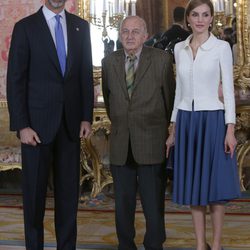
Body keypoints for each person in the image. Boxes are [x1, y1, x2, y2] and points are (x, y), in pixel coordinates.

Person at [6, 0, 94, 249]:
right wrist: (22, 125)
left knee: (68, 198)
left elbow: (85, 75)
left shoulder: (81, 27)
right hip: (35, 129)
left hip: (70, 126)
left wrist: (86, 116)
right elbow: (16, 80)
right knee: (34, 199)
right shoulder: (25, 27)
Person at [166, 1, 241, 250]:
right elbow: (179, 91)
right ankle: (201, 245)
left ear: (211, 19)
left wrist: (230, 129)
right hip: (187, 121)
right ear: (188, 18)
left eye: (205, 15)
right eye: (195, 14)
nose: (200, 19)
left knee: (215, 188)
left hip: (213, 121)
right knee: (193, 187)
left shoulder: (221, 48)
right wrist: (173, 126)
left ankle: (216, 245)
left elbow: (228, 92)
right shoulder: (179, 48)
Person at [102, 16, 175, 250]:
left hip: (152, 141)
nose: (130, 36)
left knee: (153, 204)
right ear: (120, 35)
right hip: (121, 142)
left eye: (136, 31)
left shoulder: (162, 60)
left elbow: (170, 101)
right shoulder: (109, 62)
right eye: (125, 31)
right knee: (122, 204)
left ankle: (154, 245)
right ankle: (126, 245)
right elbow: (110, 100)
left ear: (146, 35)